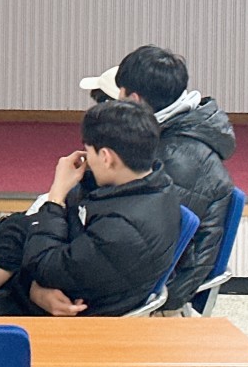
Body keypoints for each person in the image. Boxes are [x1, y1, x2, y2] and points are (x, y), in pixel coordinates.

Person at [0, 100, 181, 317]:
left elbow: (47, 266)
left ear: (107, 157)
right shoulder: (151, 186)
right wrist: (36, 288)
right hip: (32, 296)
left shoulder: (123, 229)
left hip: (51, 322)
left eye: (89, 152)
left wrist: (56, 194)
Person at [82, 44, 236, 312]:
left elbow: (141, 247)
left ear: (134, 99)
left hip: (163, 285)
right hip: (154, 270)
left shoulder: (175, 159)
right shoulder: (174, 135)